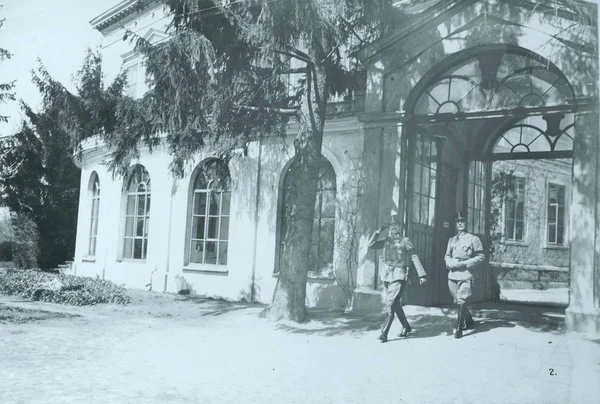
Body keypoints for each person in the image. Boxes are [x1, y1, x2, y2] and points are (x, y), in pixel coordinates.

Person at [368, 214, 427, 343]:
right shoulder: (386, 240)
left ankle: (384, 333)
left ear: (399, 227)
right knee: (395, 304)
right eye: (390, 225)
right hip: (387, 275)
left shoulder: (405, 241)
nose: (393, 227)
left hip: (399, 275)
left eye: (395, 225)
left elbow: (414, 257)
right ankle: (406, 327)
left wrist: (422, 274)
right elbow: (371, 245)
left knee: (390, 303)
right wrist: (379, 231)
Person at [445, 211, 485, 339]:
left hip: (466, 273)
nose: (460, 223)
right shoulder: (451, 240)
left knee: (462, 299)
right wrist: (449, 263)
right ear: (456, 224)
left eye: (462, 221)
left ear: (467, 222)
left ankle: (459, 329)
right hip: (452, 274)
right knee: (457, 301)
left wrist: (465, 264)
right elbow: (447, 255)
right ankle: (469, 320)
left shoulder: (474, 239)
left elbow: (481, 257)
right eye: (458, 221)